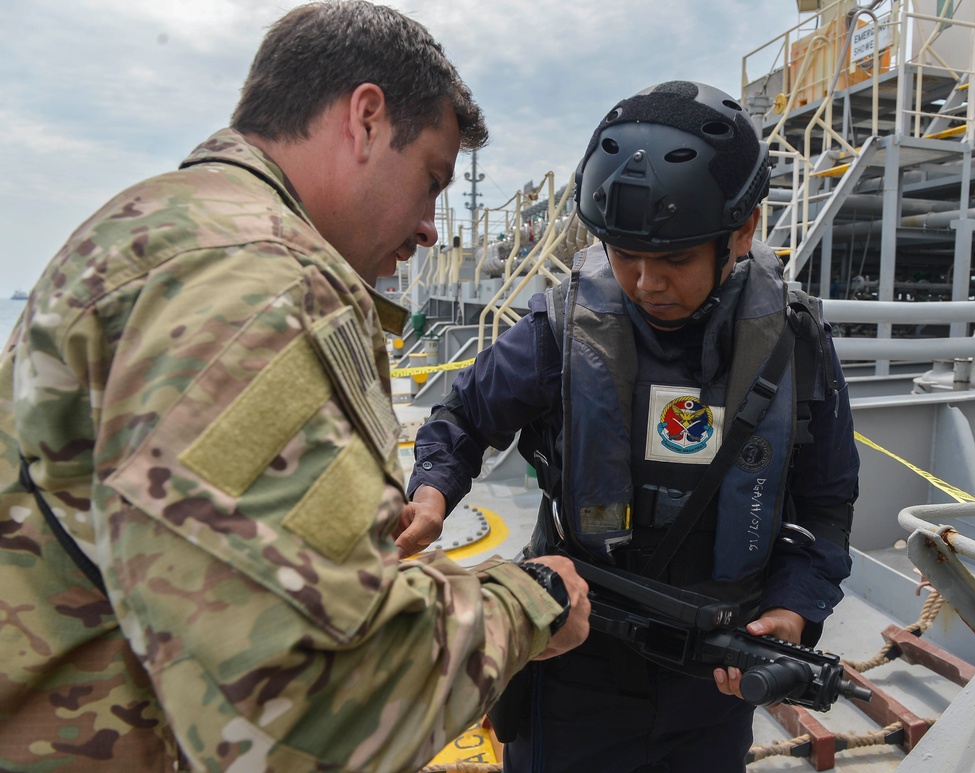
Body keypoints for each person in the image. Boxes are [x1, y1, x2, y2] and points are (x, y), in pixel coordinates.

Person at [0, 3, 590, 771]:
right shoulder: (264, 285)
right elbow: (318, 699)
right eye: (432, 180)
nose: (430, 228)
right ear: (367, 120)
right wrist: (531, 598)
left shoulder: (157, 226)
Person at [404, 80, 860, 772]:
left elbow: (826, 504)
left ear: (744, 230)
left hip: (712, 687)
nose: (646, 281)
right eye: (624, 256)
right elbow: (464, 416)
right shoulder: (563, 328)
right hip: (573, 667)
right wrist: (433, 492)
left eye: (673, 258)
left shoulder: (793, 342)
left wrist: (793, 611)